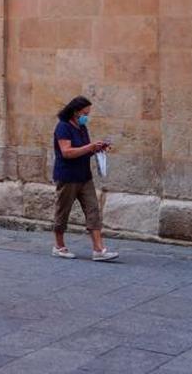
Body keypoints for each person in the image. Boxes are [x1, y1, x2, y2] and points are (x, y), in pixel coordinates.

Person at [51, 95, 119, 262]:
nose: (86, 116)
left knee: (93, 210)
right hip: (67, 177)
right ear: (75, 112)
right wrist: (90, 146)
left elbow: (83, 150)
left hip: (84, 176)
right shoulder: (63, 127)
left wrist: (97, 148)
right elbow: (67, 152)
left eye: (88, 113)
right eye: (84, 113)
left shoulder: (82, 128)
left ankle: (99, 249)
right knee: (63, 211)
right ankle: (59, 246)